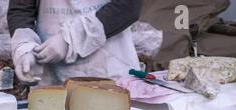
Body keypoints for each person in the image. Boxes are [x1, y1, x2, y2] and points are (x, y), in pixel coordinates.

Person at [8, 0, 142, 86]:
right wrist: (25, 47)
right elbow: (21, 9)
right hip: (50, 74)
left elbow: (129, 6)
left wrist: (71, 38)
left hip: (108, 71)